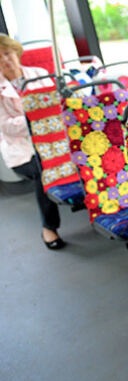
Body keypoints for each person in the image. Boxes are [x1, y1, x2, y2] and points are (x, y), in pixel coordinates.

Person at [0, 34, 65, 250]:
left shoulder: (39, 74)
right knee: (41, 167)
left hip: (54, 139)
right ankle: (49, 227)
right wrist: (35, 116)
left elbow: (59, 104)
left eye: (7, 53)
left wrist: (43, 114)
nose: (5, 60)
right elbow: (5, 125)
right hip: (22, 149)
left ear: (16, 53)